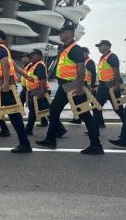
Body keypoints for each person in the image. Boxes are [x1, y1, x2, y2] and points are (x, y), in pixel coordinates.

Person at [36, 23, 103, 154]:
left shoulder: (75, 48)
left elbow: (81, 67)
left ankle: (96, 145)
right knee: (53, 111)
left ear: (70, 33)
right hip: (65, 86)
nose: (60, 34)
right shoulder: (65, 49)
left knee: (85, 115)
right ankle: (51, 140)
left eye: (62, 32)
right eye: (59, 32)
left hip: (73, 85)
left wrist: (79, 87)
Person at [91, 40, 124, 129]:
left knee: (118, 109)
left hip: (111, 86)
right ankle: (95, 130)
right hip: (103, 86)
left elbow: (116, 72)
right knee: (96, 107)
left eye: (100, 46)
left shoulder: (112, 57)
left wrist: (117, 85)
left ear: (106, 46)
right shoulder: (103, 58)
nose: (98, 48)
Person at [23, 49, 49, 136]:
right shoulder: (34, 65)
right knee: (37, 111)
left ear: (39, 56)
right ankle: (60, 129)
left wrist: (42, 91)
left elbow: (43, 79)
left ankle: (28, 130)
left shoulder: (40, 65)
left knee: (36, 111)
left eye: (33, 55)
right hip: (36, 91)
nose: (31, 57)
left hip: (39, 91)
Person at [72, 47, 98, 124]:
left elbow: (93, 73)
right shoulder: (82, 62)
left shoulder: (89, 62)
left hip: (90, 86)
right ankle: (77, 119)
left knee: (94, 105)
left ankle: (99, 122)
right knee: (81, 102)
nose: (82, 55)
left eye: (83, 53)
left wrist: (92, 86)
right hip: (85, 85)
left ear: (87, 53)